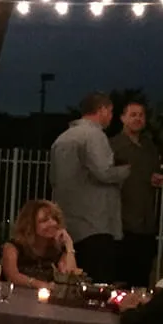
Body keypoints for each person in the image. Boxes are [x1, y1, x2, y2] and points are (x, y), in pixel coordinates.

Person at [49, 91, 129, 284]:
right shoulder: (94, 136)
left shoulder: (62, 139)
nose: (111, 116)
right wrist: (126, 171)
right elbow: (104, 171)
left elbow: (54, 179)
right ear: (101, 110)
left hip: (69, 223)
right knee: (98, 283)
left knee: (71, 284)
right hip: (96, 224)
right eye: (109, 111)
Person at [110, 97, 163, 288]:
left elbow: (156, 174)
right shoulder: (113, 146)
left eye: (141, 115)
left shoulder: (149, 146)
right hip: (123, 223)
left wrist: (157, 179)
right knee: (120, 279)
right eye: (133, 115)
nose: (137, 119)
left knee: (142, 279)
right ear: (123, 118)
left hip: (146, 223)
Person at [0, 199, 79, 289]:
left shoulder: (58, 248)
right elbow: (12, 276)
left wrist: (69, 246)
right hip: (16, 297)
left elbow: (70, 277)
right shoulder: (13, 246)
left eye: (54, 219)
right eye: (44, 220)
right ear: (30, 225)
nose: (52, 223)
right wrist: (42, 285)